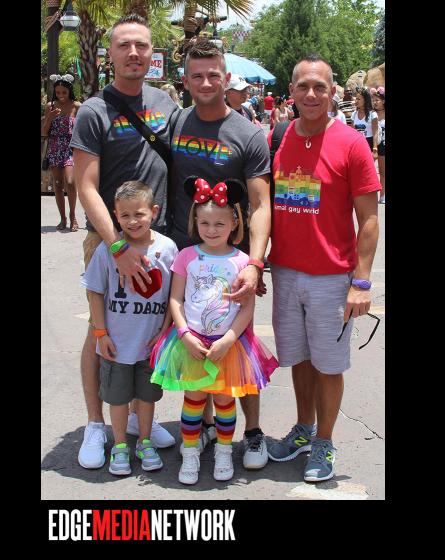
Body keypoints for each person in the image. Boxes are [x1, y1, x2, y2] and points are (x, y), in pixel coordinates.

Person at [71, 14, 180, 470]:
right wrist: (117, 247)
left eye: (141, 45)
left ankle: (136, 416)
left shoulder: (167, 103)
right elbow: (85, 185)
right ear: (109, 54)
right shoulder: (94, 110)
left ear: (152, 53)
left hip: (157, 238)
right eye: (124, 45)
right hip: (108, 240)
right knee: (102, 330)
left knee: (148, 325)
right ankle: (96, 423)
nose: (133, 53)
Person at [266, 54, 381, 482]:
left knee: (329, 364)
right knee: (299, 358)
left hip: (332, 278)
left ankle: (325, 441)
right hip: (285, 272)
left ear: (333, 92)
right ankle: (303, 428)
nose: (311, 94)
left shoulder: (351, 143)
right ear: (291, 92)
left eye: (320, 87)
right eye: (303, 86)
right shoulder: (277, 138)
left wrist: (361, 281)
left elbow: (369, 219)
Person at [168, 39, 273, 470]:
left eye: (214, 74)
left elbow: (261, 203)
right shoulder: (175, 122)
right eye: (197, 75)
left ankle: (253, 433)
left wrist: (255, 263)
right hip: (187, 255)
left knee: (239, 352)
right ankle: (207, 427)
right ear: (186, 80)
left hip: (234, 262)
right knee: (199, 343)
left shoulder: (247, 134)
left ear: (226, 78)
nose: (206, 82)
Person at [150, 177, 278, 484]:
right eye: (205, 223)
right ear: (195, 222)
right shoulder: (186, 256)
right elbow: (176, 300)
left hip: (227, 345)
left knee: (224, 401)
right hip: (192, 342)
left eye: (219, 223)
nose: (211, 229)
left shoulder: (243, 262)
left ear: (234, 223)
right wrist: (184, 334)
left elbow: (246, 308)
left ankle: (224, 452)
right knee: (193, 399)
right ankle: (190, 453)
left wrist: (229, 340)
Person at [81, 181, 178, 475]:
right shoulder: (107, 251)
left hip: (150, 346)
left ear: (154, 211)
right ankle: (120, 444)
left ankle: (145, 441)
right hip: (117, 344)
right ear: (115, 215)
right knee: (118, 398)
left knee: (147, 397)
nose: (133, 221)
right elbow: (95, 291)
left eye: (139, 214)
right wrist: (100, 334)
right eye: (125, 215)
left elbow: (173, 295)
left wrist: (164, 331)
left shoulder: (167, 248)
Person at [41, 74, 82, 231]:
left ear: (69, 91)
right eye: (58, 92)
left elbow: (83, 128)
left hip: (71, 148)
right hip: (55, 147)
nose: (61, 95)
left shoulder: (77, 106)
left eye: (64, 92)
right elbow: (44, 132)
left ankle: (73, 216)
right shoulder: (50, 106)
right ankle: (63, 218)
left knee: (70, 182)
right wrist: (50, 118)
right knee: (58, 185)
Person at [352, 86, 379, 155]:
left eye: (359, 99)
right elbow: (353, 132)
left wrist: (375, 148)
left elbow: (375, 133)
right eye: (356, 98)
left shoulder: (373, 114)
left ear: (365, 100)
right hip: (357, 144)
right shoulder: (354, 114)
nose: (356, 101)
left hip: (369, 144)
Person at [371, 87, 385, 204]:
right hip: (372, 145)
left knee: (382, 171)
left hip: (383, 145)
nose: (375, 102)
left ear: (383, 101)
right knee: (369, 171)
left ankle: (382, 195)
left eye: (377, 100)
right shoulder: (371, 114)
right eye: (373, 100)